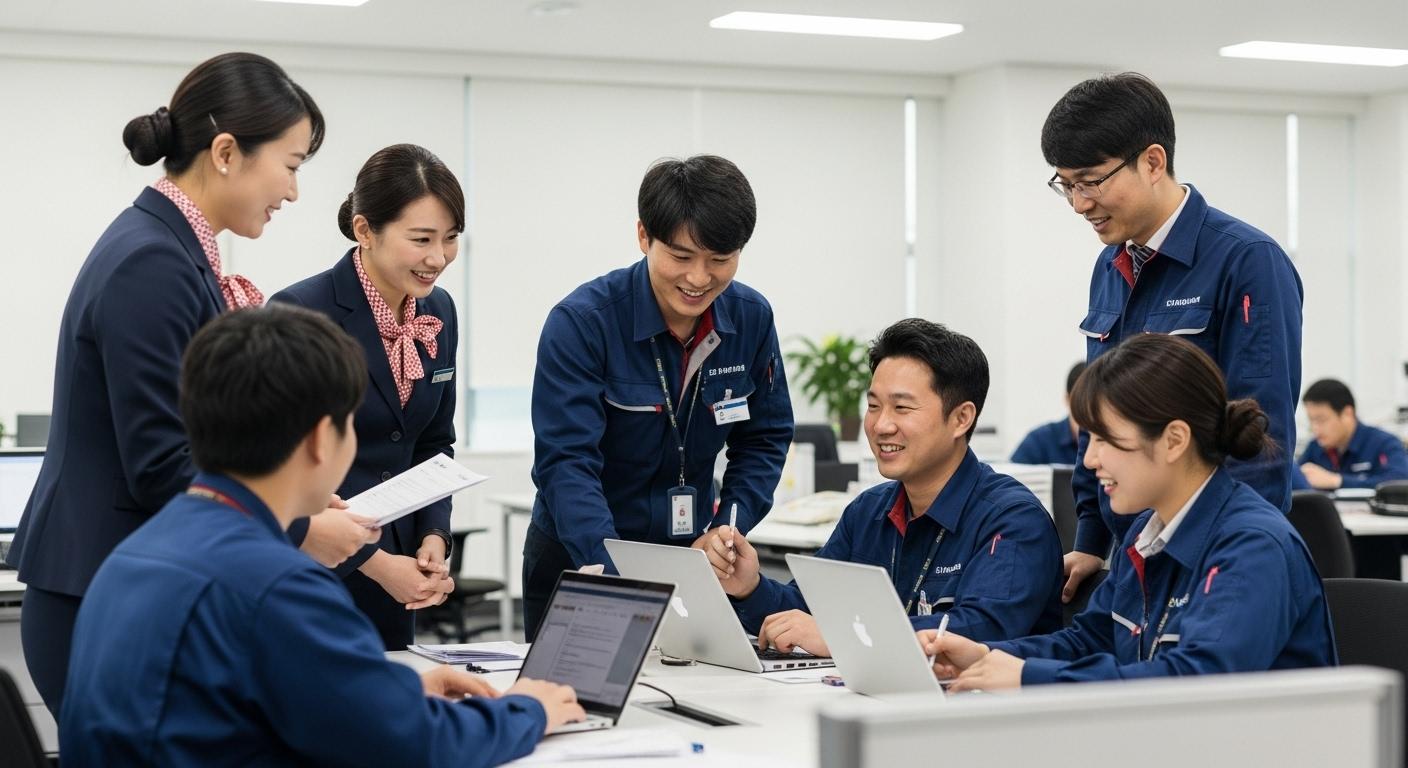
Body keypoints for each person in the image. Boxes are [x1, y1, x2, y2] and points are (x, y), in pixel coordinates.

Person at [6, 52, 376, 716]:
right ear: (227, 153)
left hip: (118, 583)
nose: (294, 193)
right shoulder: (153, 262)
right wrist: (297, 524)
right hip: (100, 590)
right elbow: (160, 465)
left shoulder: (169, 248)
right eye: (291, 166)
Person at [60, 305, 583, 765]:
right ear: (319, 441)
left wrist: (396, 693)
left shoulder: (134, 556)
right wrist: (527, 709)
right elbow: (417, 746)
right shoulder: (277, 585)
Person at [921, 334, 1335, 689]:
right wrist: (986, 656)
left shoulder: (1252, 548)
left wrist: (1029, 677)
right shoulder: (1145, 534)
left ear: (1174, 440)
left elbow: (1196, 684)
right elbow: (1088, 641)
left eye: (1105, 440)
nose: (1090, 460)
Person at [1046, 72, 1304, 604]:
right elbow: (1098, 417)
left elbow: (1261, 433)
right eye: (1066, 185)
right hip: (1131, 556)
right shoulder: (1110, 266)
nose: (1078, 204)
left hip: (1207, 558)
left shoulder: (1247, 261)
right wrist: (1091, 539)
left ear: (1153, 162)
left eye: (1090, 181)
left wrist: (1229, 560)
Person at [525, 155, 793, 640]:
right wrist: (611, 573)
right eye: (681, 257)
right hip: (584, 556)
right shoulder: (583, 323)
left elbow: (765, 437)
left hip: (692, 559)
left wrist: (726, 530)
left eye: (720, 259)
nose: (699, 278)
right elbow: (567, 463)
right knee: (574, 688)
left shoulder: (751, 318)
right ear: (643, 236)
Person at [701, 319, 1062, 655]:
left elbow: (981, 630)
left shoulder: (1011, 520)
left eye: (902, 408)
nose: (881, 425)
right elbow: (805, 612)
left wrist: (844, 637)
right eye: (873, 406)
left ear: (961, 419)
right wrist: (750, 587)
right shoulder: (869, 512)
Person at [271, 144, 465, 650]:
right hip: (313, 568)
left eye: (450, 238)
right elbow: (281, 469)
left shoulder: (439, 311)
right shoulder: (300, 312)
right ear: (365, 230)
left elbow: (433, 443)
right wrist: (376, 565)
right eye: (421, 239)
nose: (438, 258)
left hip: (400, 570)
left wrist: (434, 536)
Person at [1297, 378, 1408, 491]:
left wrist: (1336, 481)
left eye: (1321, 420)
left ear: (1347, 414)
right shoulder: (1315, 447)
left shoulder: (1384, 444)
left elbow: (1399, 481)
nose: (1314, 428)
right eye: (1311, 420)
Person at [1010, 361, 1085, 464]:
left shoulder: (1106, 443)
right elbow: (1012, 471)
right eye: (1082, 402)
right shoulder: (1039, 441)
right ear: (1067, 399)